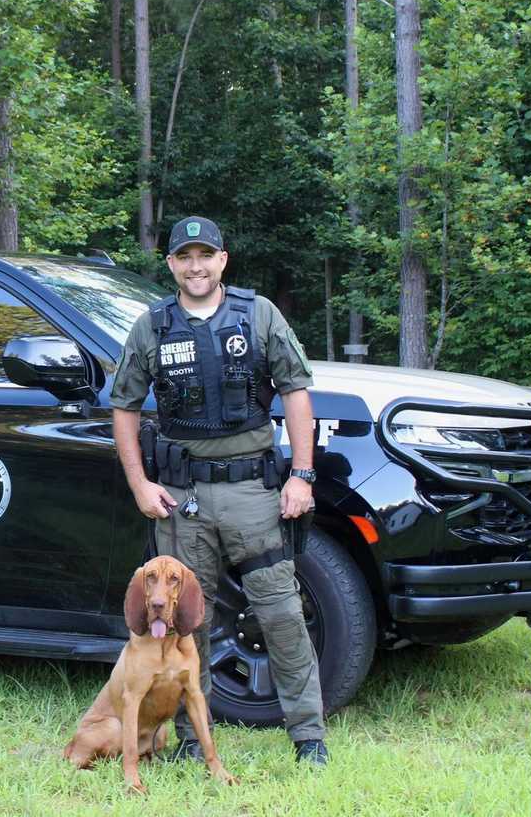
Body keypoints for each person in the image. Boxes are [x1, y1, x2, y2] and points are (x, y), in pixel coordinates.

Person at [108, 215, 329, 767]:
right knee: (185, 625)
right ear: (171, 265)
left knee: (280, 613)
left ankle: (309, 738)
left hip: (253, 493)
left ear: (223, 260)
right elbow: (124, 406)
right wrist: (139, 483)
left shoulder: (258, 315)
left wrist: (301, 475)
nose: (195, 266)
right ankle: (189, 740)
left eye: (205, 255)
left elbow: (296, 392)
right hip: (181, 499)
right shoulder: (152, 326)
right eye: (184, 257)